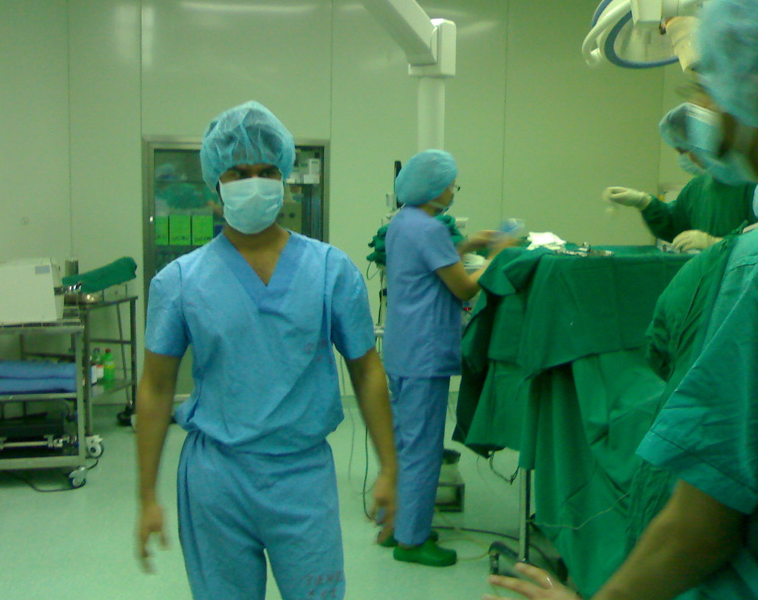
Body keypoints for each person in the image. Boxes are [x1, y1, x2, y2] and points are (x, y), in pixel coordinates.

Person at [483, 1, 758, 598]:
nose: (713, 119)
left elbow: (698, 528)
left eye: (712, 85)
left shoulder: (747, 277)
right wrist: (649, 206)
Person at [135, 100, 397, 600]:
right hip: (216, 478)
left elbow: (366, 371)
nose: (253, 183)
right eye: (238, 173)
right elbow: (155, 387)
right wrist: (146, 494)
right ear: (216, 184)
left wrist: (389, 465)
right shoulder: (180, 282)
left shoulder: (331, 271)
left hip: (302, 475)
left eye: (266, 172)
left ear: (284, 177)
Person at [382, 149, 512, 568]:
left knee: (404, 443)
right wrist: (497, 257)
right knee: (423, 450)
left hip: (401, 349)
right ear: (436, 188)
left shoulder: (402, 222)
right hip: (425, 353)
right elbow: (465, 288)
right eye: (452, 184)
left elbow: (433, 257)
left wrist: (469, 243)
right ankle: (412, 541)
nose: (454, 190)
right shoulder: (431, 229)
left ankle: (396, 525)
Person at [602, 159, 757, 253]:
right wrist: (644, 202)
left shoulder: (751, 183)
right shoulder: (699, 185)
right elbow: (675, 224)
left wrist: (715, 243)